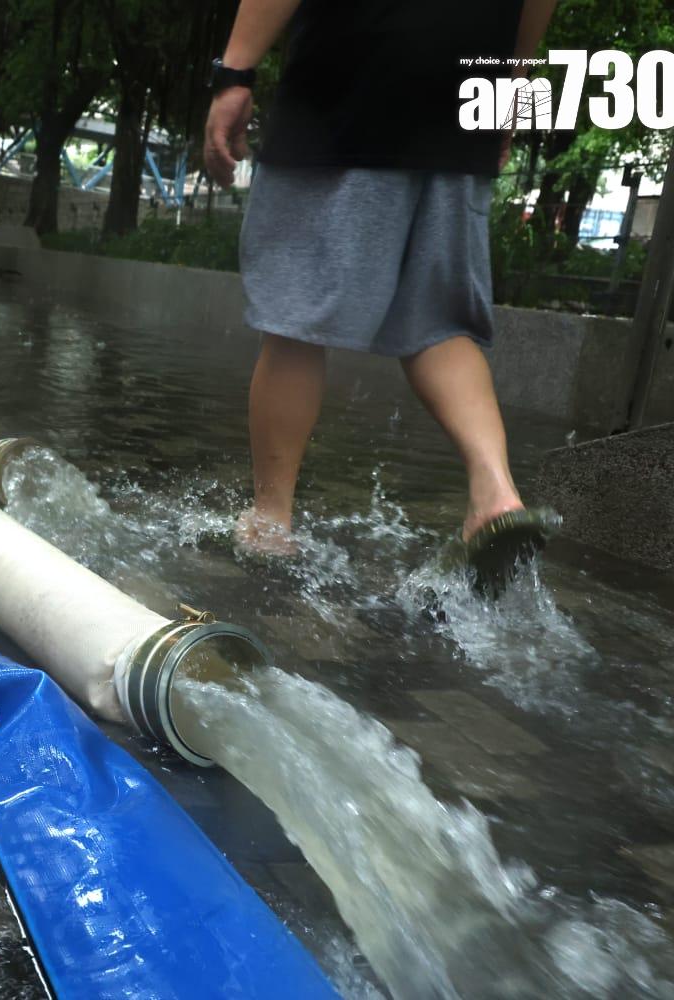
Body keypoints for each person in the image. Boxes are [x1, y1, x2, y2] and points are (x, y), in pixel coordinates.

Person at [203, 0, 560, 593]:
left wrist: (235, 73)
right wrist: (511, 95)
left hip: (349, 84)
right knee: (442, 321)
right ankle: (495, 492)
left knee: (296, 319)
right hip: (466, 96)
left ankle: (270, 521)